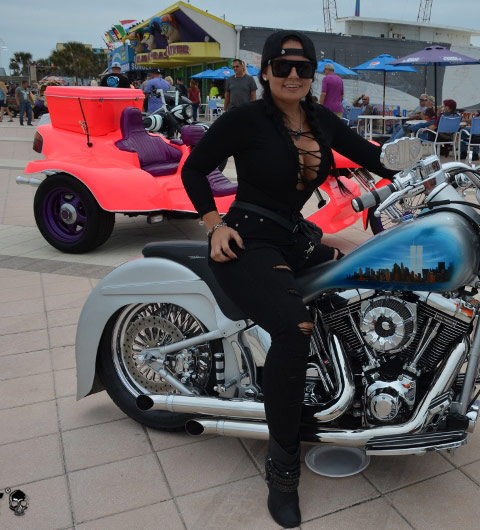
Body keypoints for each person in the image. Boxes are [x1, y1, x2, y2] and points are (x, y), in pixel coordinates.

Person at [180, 30, 394, 527]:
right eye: (283, 66)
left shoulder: (321, 121)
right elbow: (195, 170)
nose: (293, 75)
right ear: (266, 71)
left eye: (303, 68)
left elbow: (374, 156)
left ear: (313, 74)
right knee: (294, 329)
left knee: (368, 278)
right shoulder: (245, 119)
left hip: (293, 236)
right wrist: (214, 225)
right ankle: (282, 472)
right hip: (248, 240)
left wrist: (434, 170)